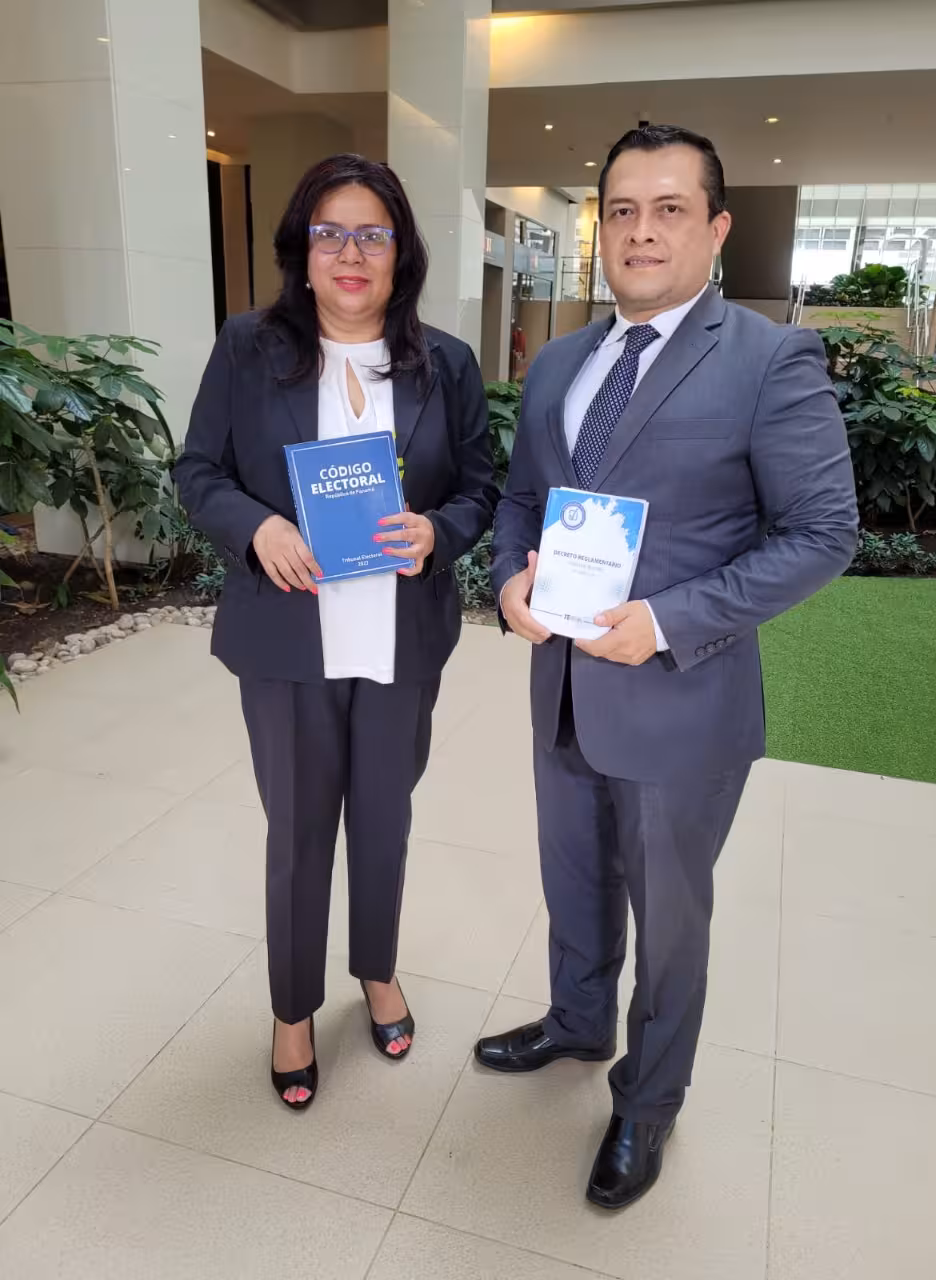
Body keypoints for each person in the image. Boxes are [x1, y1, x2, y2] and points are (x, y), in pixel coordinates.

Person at [475, 124, 858, 1208]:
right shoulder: (562, 360)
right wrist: (507, 582)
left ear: (717, 228)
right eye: (624, 210)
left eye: (670, 209)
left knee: (672, 917)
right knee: (573, 875)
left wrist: (668, 619)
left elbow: (823, 532)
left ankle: (648, 1100)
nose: (642, 232)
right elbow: (521, 501)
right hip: (562, 684)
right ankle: (577, 1017)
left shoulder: (768, 359)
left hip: (682, 700)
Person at [177, 154, 497, 1111]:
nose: (350, 254)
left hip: (400, 637)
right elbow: (199, 471)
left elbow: (480, 486)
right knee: (299, 831)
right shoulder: (248, 348)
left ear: (401, 254)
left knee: (386, 821)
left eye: (372, 235)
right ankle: (292, 1010)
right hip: (289, 639)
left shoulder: (446, 363)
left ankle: (377, 970)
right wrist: (258, 528)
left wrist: (437, 531)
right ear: (302, 250)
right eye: (330, 233)